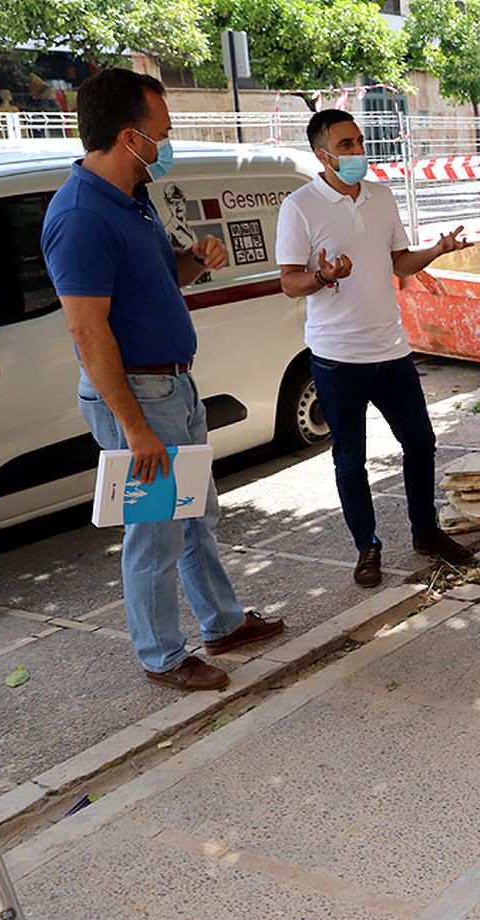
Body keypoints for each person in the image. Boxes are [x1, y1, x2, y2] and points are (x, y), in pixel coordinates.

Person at [41, 68, 283, 692]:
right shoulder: (80, 216)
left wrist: (192, 263)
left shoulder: (133, 198)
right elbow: (88, 333)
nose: (166, 145)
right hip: (140, 398)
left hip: (174, 387)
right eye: (162, 133)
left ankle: (222, 622)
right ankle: (164, 657)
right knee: (153, 534)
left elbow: (152, 282)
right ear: (129, 137)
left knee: (197, 516)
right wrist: (135, 428)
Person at [275, 109, 476, 587]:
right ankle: (367, 547)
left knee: (421, 443)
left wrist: (437, 250)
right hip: (336, 358)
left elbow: (399, 261)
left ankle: (425, 532)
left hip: (391, 349)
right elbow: (288, 282)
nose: (357, 152)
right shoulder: (299, 206)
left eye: (359, 142)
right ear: (321, 154)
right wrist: (323, 276)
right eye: (345, 145)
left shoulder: (381, 196)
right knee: (350, 459)